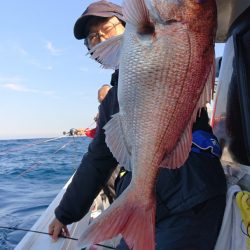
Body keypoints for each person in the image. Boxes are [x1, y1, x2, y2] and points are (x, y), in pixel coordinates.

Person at [49, 1, 227, 249]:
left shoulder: (165, 34)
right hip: (149, 200)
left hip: (190, 191)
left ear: (128, 23)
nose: (100, 38)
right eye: (92, 37)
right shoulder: (114, 99)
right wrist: (64, 213)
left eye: (107, 28)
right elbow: (98, 158)